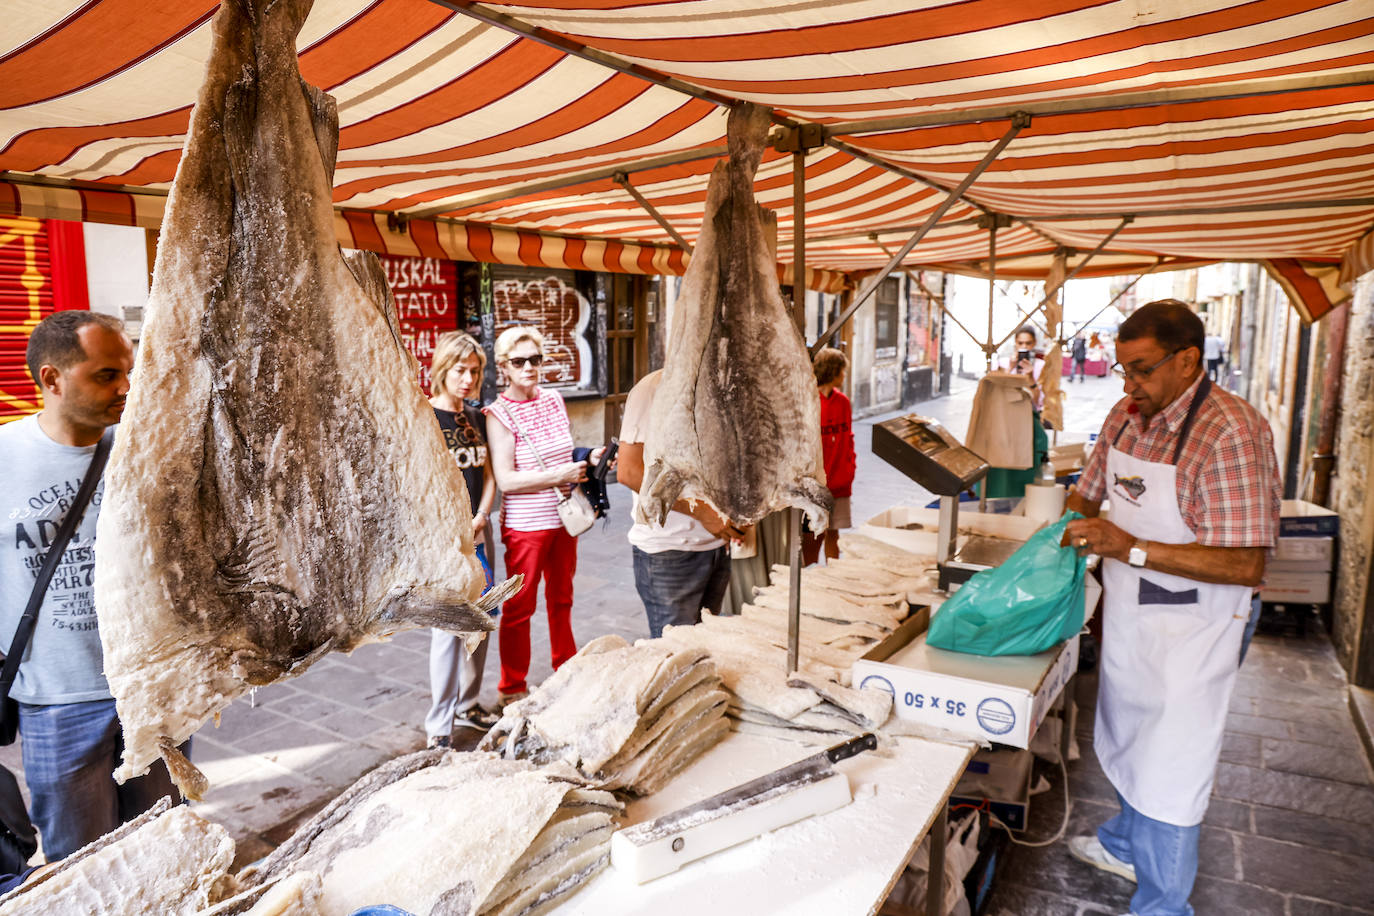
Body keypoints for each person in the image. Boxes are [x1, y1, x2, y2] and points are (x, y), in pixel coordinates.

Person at [1061, 300, 1280, 916]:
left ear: (1187, 361)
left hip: (1200, 621)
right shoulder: (1127, 416)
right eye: (1122, 370)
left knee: (1172, 761)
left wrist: (1126, 545)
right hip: (1134, 611)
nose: (1129, 385)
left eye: (1141, 370)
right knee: (1133, 734)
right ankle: (1126, 844)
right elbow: (1088, 492)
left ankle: (1163, 904)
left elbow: (1246, 565)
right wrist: (1060, 541)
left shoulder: (1231, 431)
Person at [1, 311, 183, 860]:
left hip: (153, 690)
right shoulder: (5, 459)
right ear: (52, 379)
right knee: (82, 864)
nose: (126, 387)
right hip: (57, 701)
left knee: (164, 849)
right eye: (106, 375)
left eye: (128, 372)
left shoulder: (146, 450)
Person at [484, 327, 607, 708]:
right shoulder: (499, 413)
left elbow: (563, 452)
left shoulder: (554, 400)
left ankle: (565, 669)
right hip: (525, 526)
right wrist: (560, 476)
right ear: (504, 367)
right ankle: (512, 686)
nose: (529, 367)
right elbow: (506, 479)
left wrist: (587, 458)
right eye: (519, 361)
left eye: (535, 359)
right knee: (520, 608)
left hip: (563, 519)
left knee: (562, 599)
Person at [618, 370, 748, 638]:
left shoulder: (725, 383)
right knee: (676, 658)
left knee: (704, 649)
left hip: (717, 547)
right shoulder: (651, 389)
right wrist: (700, 511)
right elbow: (630, 471)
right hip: (669, 551)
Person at [424, 332, 500, 748]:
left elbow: (488, 474)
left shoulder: (477, 418)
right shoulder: (426, 418)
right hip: (445, 543)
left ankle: (469, 704)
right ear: (443, 369)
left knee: (483, 621)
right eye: (460, 370)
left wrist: (482, 515)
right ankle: (439, 724)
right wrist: (453, 524)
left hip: (479, 536)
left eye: (474, 371)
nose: (468, 379)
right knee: (447, 630)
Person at [979, 326, 1049, 499]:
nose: (1024, 347)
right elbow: (993, 393)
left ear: (1034, 344)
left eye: (1028, 343)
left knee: (1024, 473)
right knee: (1001, 471)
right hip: (1002, 424)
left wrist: (1031, 378)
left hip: (1028, 427)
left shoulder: (1041, 367)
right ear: (1015, 344)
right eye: (1020, 343)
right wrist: (1009, 370)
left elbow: (1038, 401)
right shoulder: (1001, 364)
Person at [803, 348, 856, 565]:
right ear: (832, 371)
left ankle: (833, 573)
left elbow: (848, 437)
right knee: (814, 534)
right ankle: (810, 574)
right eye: (842, 372)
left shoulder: (842, 402)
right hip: (816, 483)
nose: (844, 376)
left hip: (841, 480)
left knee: (834, 533)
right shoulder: (809, 401)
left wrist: (850, 467)